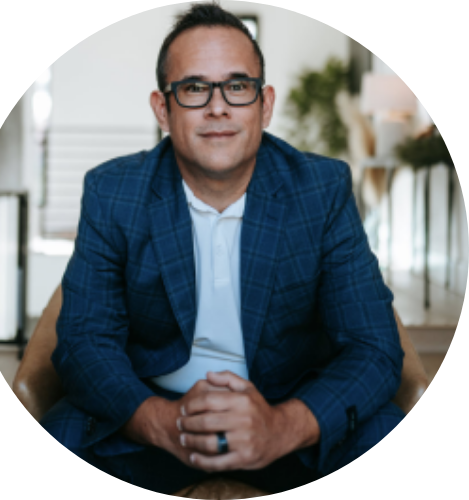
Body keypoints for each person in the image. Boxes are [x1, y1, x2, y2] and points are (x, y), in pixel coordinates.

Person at [39, 3, 406, 494]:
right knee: (63, 433)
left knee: (383, 429)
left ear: (265, 104)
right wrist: (159, 422)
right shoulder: (113, 193)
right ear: (163, 109)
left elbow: (373, 346)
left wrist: (283, 426)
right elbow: (84, 341)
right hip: (155, 421)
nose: (218, 107)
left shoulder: (320, 190)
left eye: (238, 86)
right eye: (194, 88)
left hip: (286, 418)